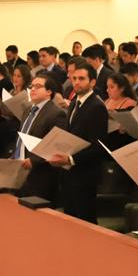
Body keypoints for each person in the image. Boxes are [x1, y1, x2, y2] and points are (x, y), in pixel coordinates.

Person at [49, 64, 108, 224]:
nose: (76, 82)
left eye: (81, 79)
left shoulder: (97, 106)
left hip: (85, 174)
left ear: (93, 82)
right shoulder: (75, 101)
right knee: (70, 220)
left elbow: (98, 145)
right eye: (74, 78)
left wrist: (70, 159)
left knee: (85, 221)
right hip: (70, 173)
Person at [13, 74, 67, 201]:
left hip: (41, 174)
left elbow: (55, 145)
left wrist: (34, 160)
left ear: (49, 91)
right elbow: (21, 137)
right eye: (31, 86)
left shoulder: (56, 113)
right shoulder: (27, 110)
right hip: (20, 170)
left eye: (38, 87)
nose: (32, 89)